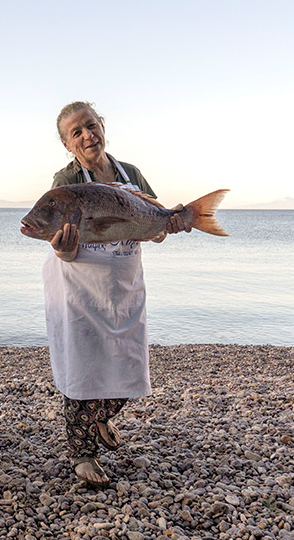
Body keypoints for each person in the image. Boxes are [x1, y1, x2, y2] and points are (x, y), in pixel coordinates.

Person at [43, 101, 192, 487]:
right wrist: (62, 244)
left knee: (128, 365)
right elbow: (62, 249)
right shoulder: (66, 180)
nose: (86, 135)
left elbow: (153, 227)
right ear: (66, 143)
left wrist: (169, 224)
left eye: (90, 126)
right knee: (83, 369)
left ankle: (100, 418)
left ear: (102, 126)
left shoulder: (132, 174)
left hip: (124, 288)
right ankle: (82, 454)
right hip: (81, 291)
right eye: (76, 132)